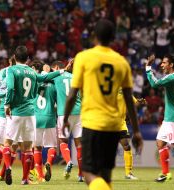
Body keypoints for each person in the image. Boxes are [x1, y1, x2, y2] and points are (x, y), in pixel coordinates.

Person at [62, 19, 143, 190]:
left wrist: (64, 120)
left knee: (88, 173)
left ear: (94, 37)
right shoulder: (121, 62)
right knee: (106, 174)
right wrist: (136, 130)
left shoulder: (84, 57)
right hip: (114, 125)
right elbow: (129, 100)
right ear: (113, 37)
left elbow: (72, 95)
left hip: (93, 122)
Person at [2, 46, 65, 185]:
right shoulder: (31, 71)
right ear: (28, 59)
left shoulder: (11, 70)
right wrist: (61, 71)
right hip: (31, 114)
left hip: (16, 113)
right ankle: (25, 179)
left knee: (7, 143)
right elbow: (46, 76)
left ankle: (8, 167)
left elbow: (11, 88)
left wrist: (7, 105)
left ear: (14, 57)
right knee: (28, 148)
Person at [145, 54, 174, 183]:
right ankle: (166, 174)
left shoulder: (171, 78)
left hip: (173, 118)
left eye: (164, 63)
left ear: (171, 65)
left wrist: (148, 67)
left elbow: (154, 84)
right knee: (160, 143)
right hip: (170, 117)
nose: (162, 65)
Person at [51, 60, 83, 182]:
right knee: (79, 145)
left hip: (64, 113)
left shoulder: (57, 76)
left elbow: (43, 78)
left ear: (58, 67)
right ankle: (81, 175)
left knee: (63, 140)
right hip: (78, 112)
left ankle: (68, 161)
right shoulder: (76, 77)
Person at [31, 62, 58, 182]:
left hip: (36, 118)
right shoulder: (54, 84)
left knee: (37, 148)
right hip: (49, 117)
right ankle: (49, 163)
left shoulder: (34, 82)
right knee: (52, 146)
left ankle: (40, 176)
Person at [117, 89, 146, 180]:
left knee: (127, 147)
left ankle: (128, 173)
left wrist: (139, 102)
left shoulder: (126, 89)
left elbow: (133, 102)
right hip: (108, 122)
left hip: (121, 123)